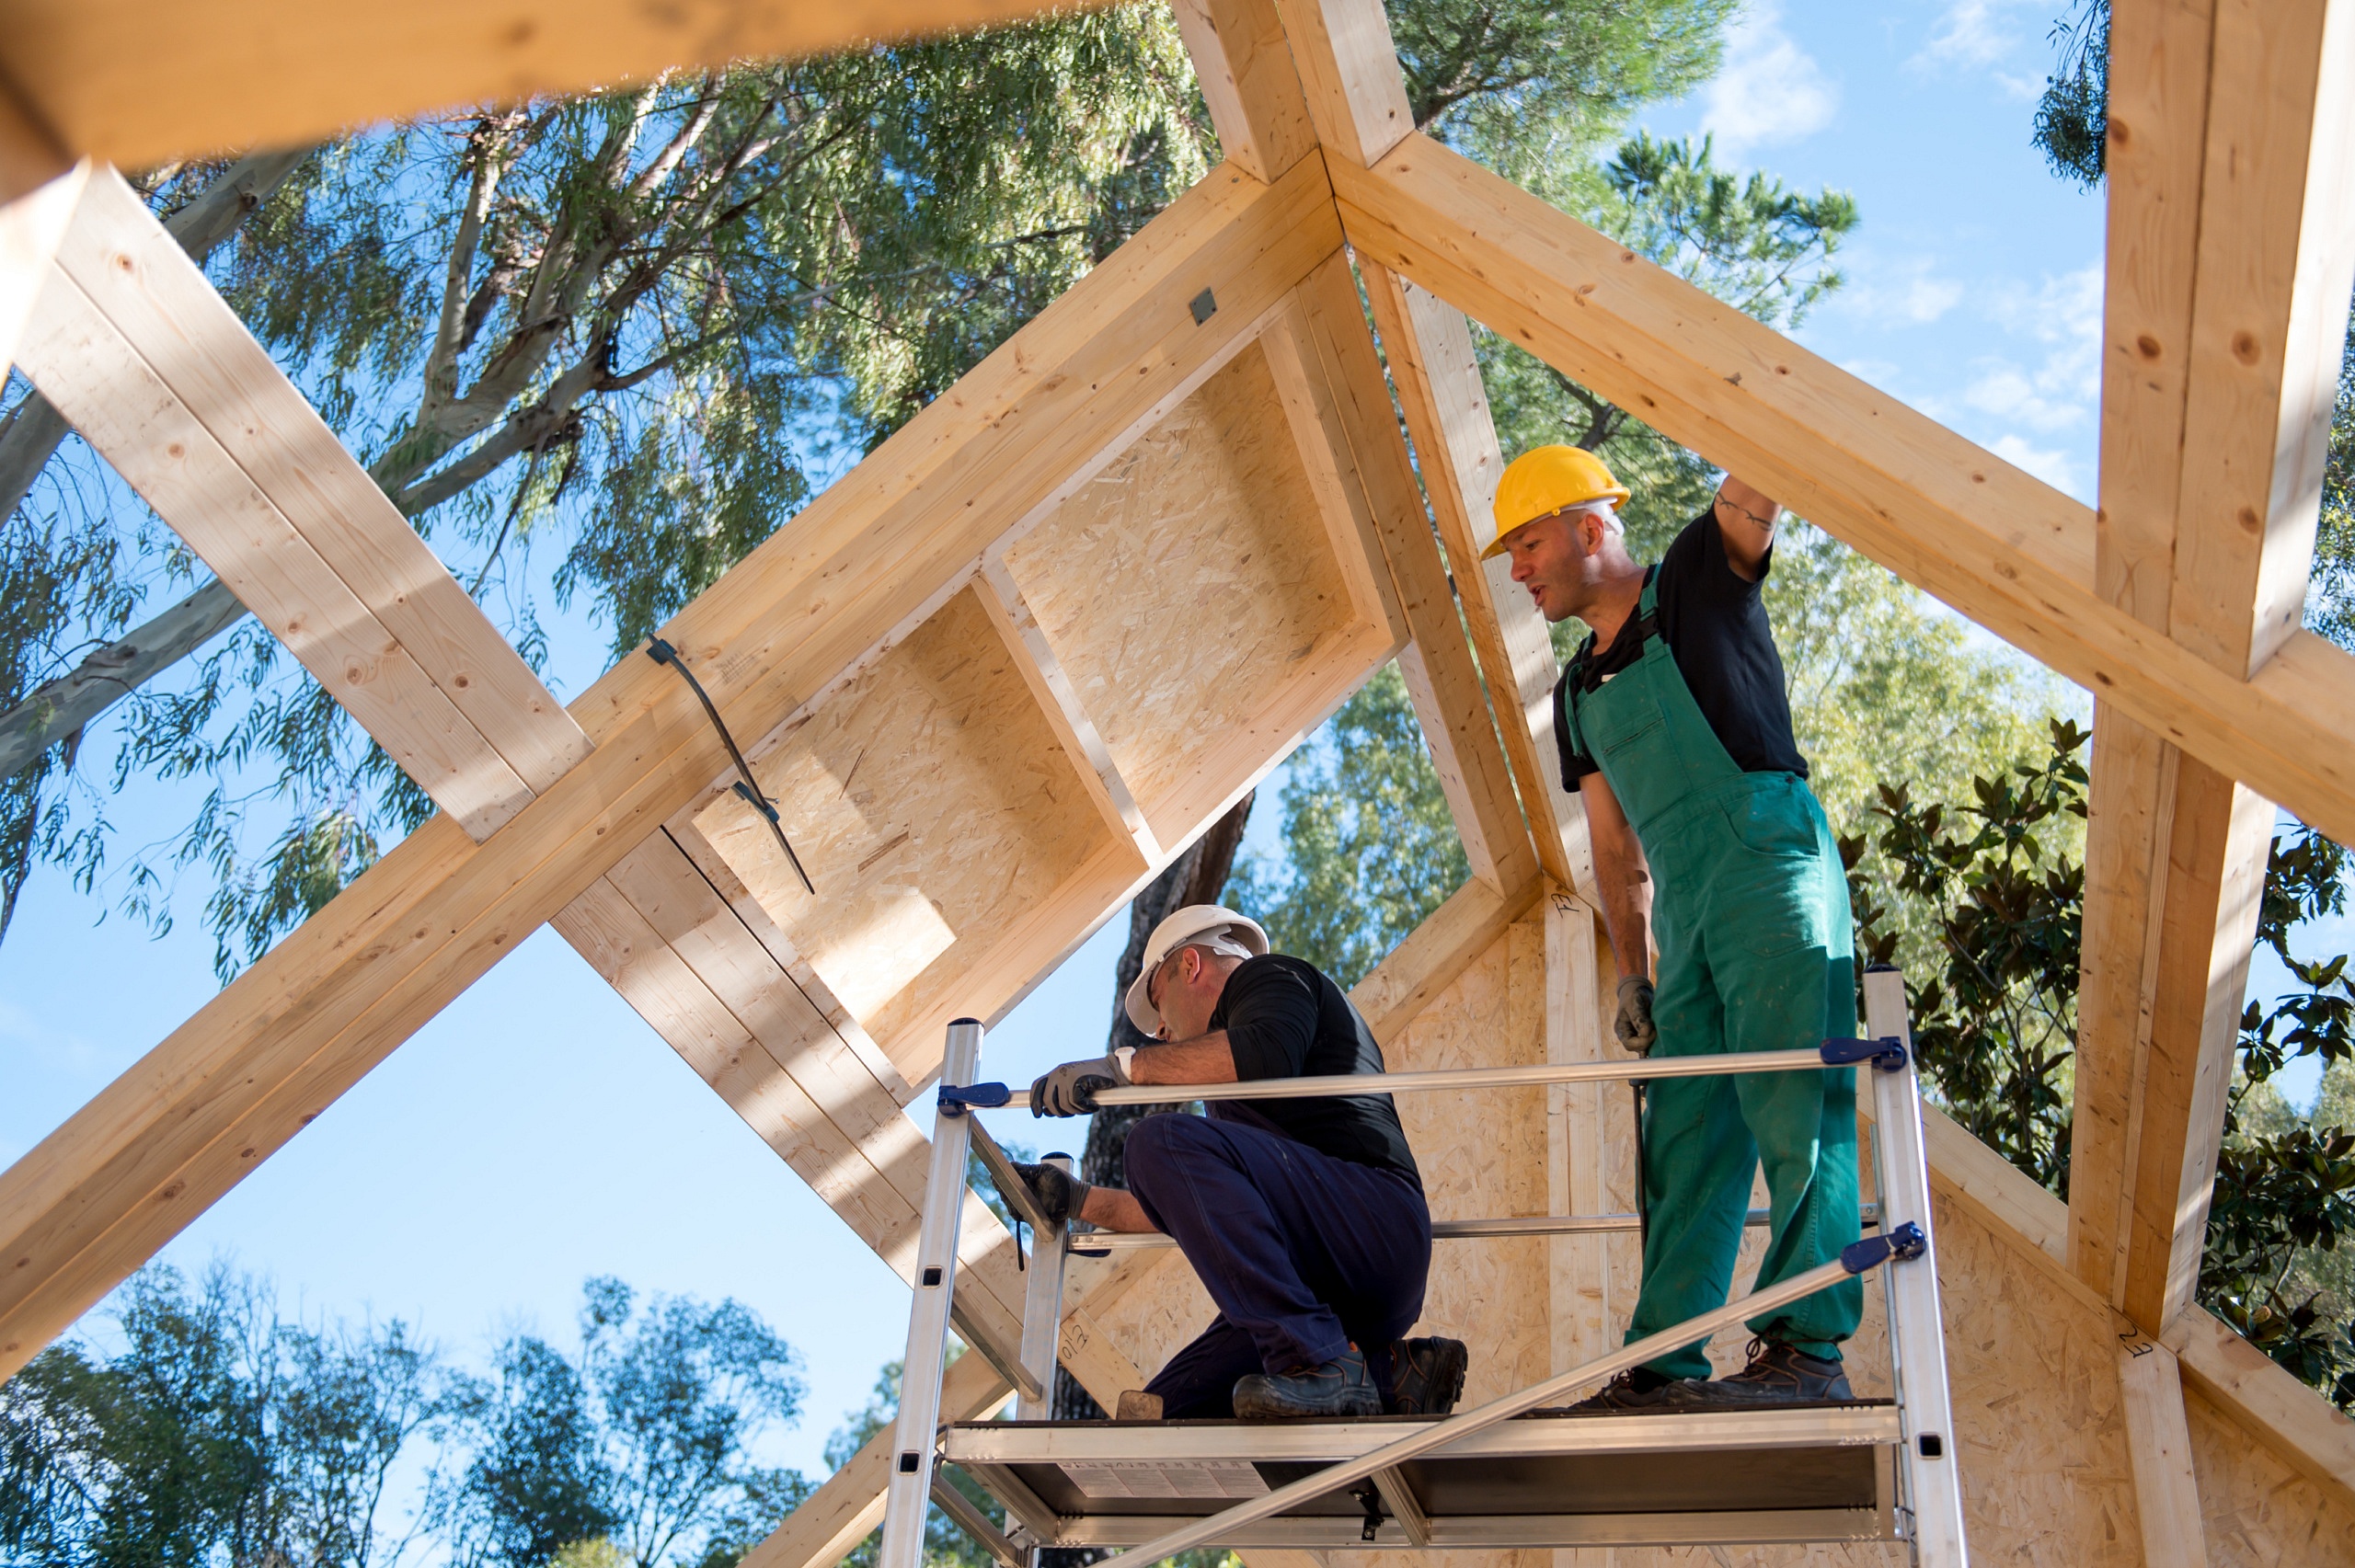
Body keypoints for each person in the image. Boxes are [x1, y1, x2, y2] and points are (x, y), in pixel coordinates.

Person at [1488, 445, 1860, 1410]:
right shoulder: (1575, 695)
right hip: (1687, 909)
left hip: (1767, 858)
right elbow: (1614, 851)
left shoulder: (1698, 573)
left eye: (1526, 543)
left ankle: (1807, 1349)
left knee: (1790, 1098)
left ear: (1590, 526)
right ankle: (1663, 1361)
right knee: (1684, 1135)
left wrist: (1744, 406)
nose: (1518, 570)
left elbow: (1757, 487)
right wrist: (1630, 975)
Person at [1014, 904, 1467, 1420]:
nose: (1159, 1031)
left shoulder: (1271, 977)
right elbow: (1185, 1204)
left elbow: (1266, 1053)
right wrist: (1078, 1199)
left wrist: (1124, 1068)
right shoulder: (1226, 1101)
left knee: (1153, 1142)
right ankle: (1394, 1377)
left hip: (1372, 1231)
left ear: (1190, 965)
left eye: (1159, 1005)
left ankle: (1318, 1362)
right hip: (1322, 1291)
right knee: (1161, 1415)